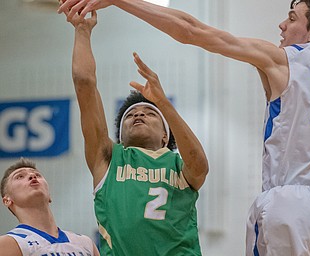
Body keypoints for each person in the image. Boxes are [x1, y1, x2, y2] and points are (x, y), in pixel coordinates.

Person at [58, 0, 310, 255]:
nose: (282, 25)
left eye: (292, 18)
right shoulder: (110, 158)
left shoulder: (285, 60)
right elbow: (84, 84)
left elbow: (190, 29)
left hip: (292, 203)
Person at [64, 9, 208, 256]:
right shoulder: (108, 159)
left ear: (166, 135)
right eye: (130, 115)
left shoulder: (178, 165)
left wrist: (163, 103)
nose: (138, 115)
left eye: (150, 113)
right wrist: (82, 31)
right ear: (120, 136)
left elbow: (201, 166)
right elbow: (84, 84)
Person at [0, 157, 100, 256]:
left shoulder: (85, 243)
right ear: (7, 200)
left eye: (37, 175)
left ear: (49, 195)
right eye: (20, 176)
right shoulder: (8, 244)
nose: (32, 176)